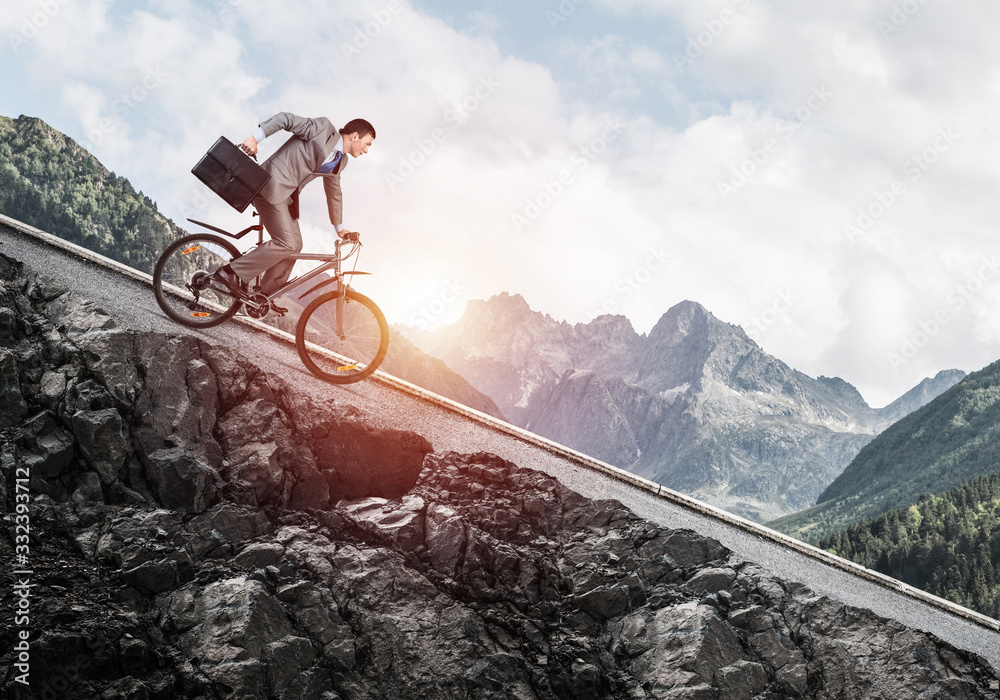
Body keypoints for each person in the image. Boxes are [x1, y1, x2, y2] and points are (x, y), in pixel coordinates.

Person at [211, 112, 375, 303]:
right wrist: (255, 139)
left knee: (296, 246)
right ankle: (229, 272)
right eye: (368, 143)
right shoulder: (322, 129)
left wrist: (339, 229)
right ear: (355, 136)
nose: (367, 150)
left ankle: (263, 297)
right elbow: (285, 119)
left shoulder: (341, 161)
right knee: (287, 243)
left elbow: (334, 192)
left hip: (286, 198)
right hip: (269, 186)